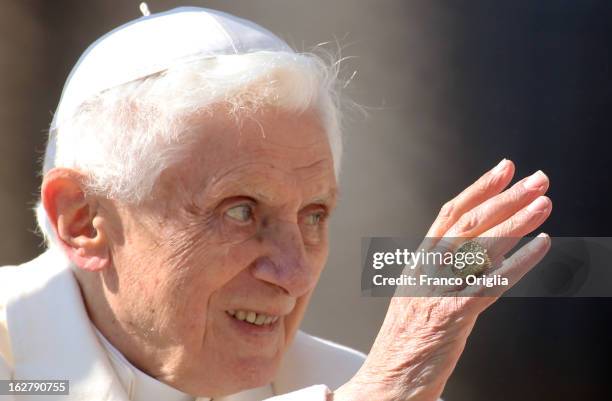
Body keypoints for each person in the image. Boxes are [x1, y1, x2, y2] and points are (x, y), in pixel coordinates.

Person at [0, 5, 552, 401]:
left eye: (314, 216)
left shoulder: (339, 374)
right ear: (83, 220)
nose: (292, 273)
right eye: (240, 211)